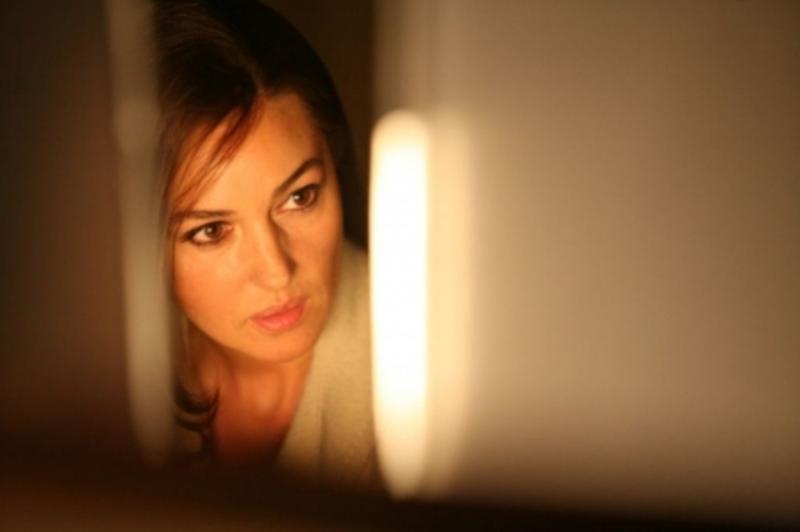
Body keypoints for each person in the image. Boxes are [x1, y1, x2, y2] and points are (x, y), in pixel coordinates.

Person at [153, 0, 377, 490]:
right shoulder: (98, 380)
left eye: (299, 197)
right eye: (211, 231)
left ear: (334, 161)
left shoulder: (431, 370)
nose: (276, 271)